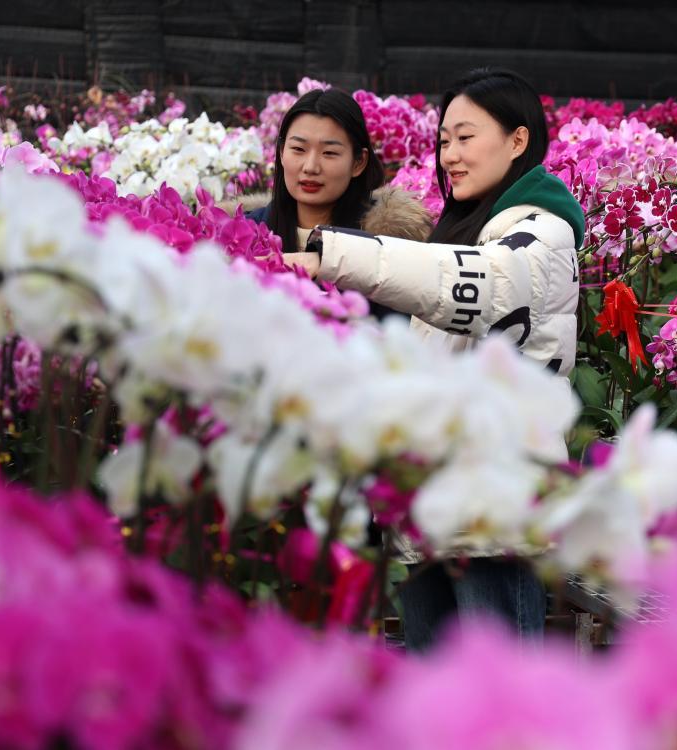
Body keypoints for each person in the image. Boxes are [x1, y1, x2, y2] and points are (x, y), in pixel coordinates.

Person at [284, 69, 585, 651]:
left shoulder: (542, 234)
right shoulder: (465, 227)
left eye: (466, 137)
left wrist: (331, 254)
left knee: (498, 711)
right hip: (434, 507)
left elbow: (479, 288)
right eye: (444, 140)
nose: (449, 154)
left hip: (491, 515)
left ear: (518, 140)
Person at [245, 88, 432, 316]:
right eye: (298, 149)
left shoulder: (388, 249)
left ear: (359, 162)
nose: (310, 167)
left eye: (329, 153)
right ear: (282, 152)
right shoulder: (246, 233)